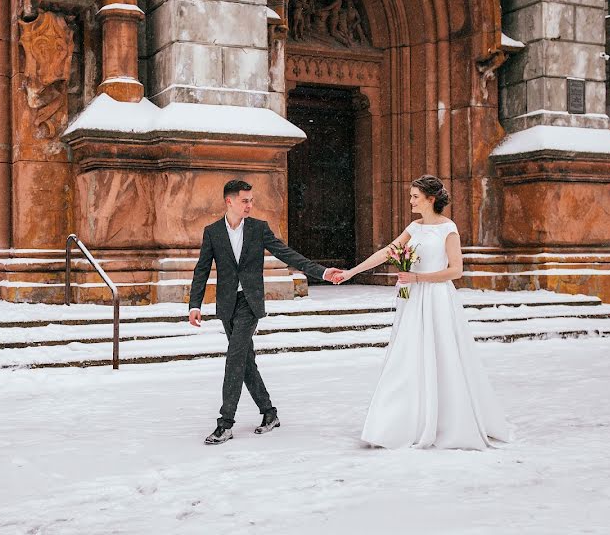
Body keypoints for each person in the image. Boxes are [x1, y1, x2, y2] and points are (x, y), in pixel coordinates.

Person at [336, 175, 512, 450]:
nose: (410, 200)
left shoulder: (448, 229)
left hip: (436, 298)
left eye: (415, 196)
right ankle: (398, 423)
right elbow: (387, 252)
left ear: (431, 199)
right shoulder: (414, 227)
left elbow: (456, 270)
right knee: (406, 355)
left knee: (441, 355)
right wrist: (352, 272)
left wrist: (419, 278)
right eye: (410, 195)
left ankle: (445, 421)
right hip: (411, 299)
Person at [189, 180, 344, 445]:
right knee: (245, 362)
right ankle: (269, 413)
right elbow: (202, 268)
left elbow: (287, 254)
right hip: (227, 305)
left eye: (251, 200)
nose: (250, 205)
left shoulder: (259, 229)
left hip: (250, 303)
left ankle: (225, 423)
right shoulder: (212, 232)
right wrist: (195, 304)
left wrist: (321, 271)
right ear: (229, 201)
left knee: (235, 357)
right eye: (244, 200)